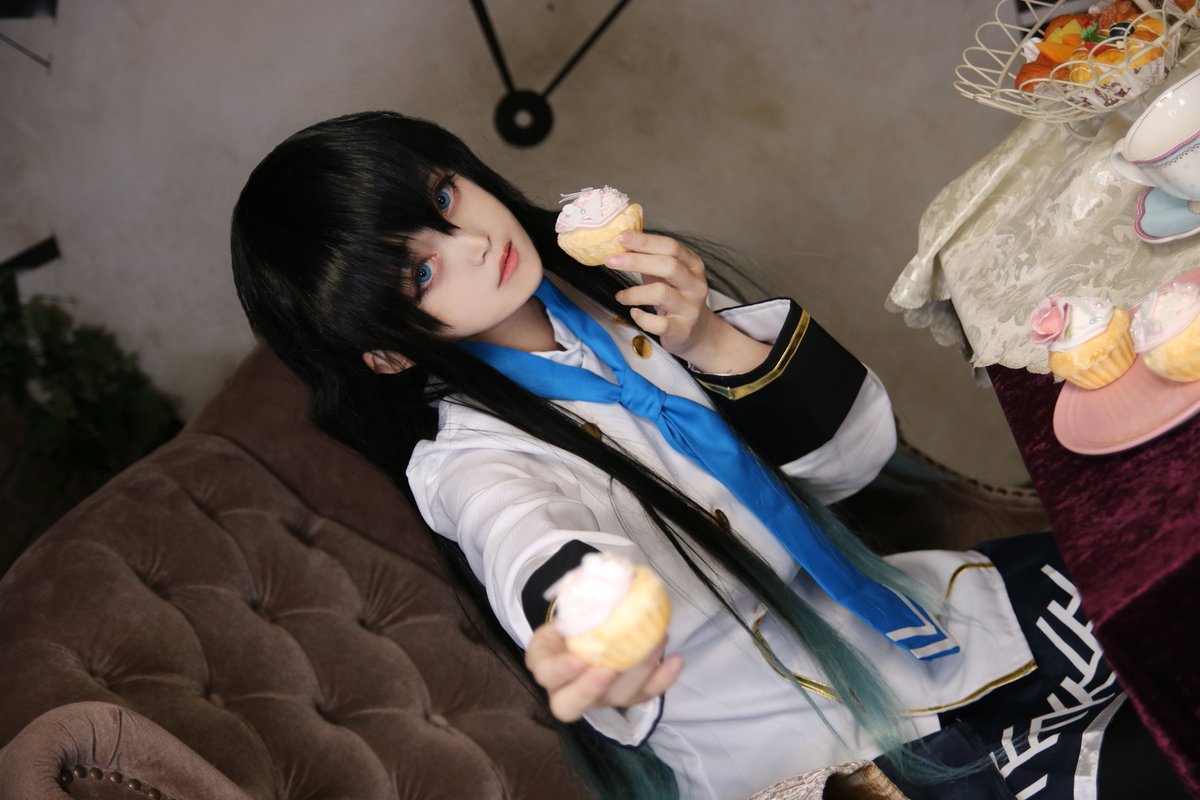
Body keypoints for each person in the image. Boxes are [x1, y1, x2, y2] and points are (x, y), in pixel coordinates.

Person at [229, 111, 1177, 800]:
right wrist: (583, 620)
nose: (472, 241)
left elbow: (853, 465)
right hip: (812, 748)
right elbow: (525, 536)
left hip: (908, 616)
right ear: (387, 353)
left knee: (1167, 606)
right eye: (422, 271)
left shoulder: (624, 286)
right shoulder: (467, 462)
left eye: (442, 197)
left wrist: (712, 340)